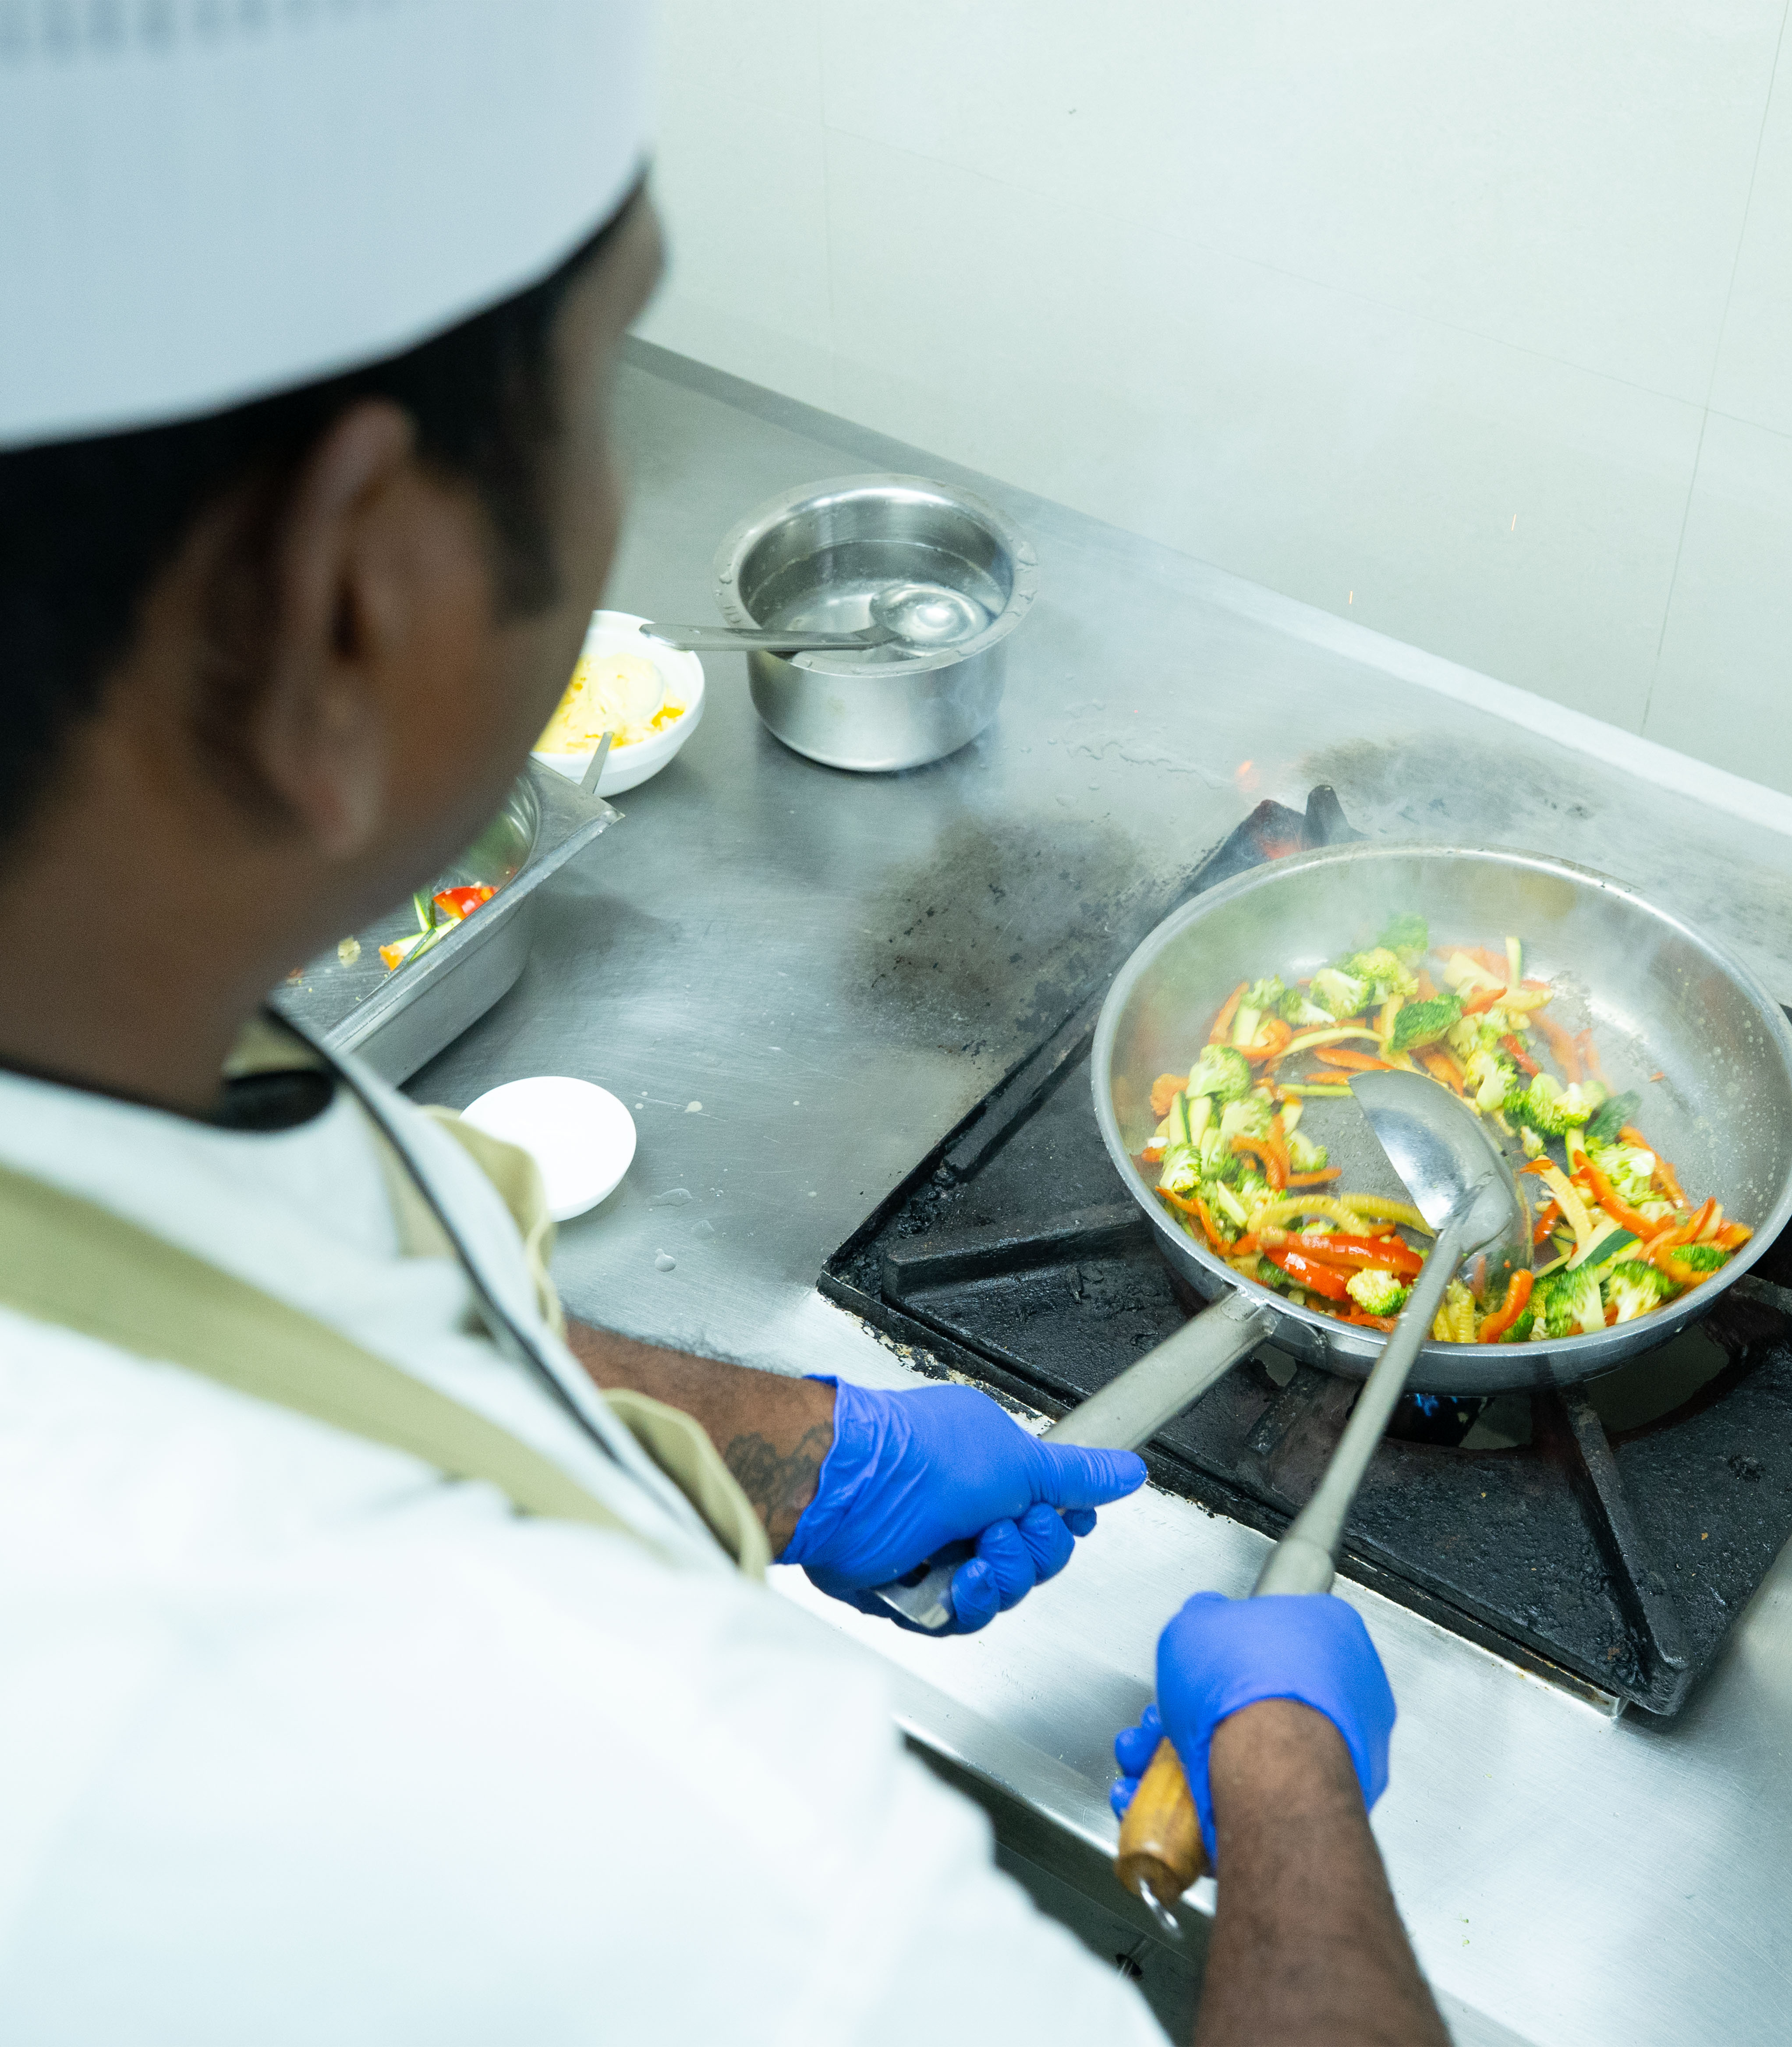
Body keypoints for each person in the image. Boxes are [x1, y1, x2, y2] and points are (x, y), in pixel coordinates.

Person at [0, 7, 1448, 2043]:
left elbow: (305, 1262)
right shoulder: (677, 1850)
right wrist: (1292, 1795)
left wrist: (783, 1445)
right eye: (606, 394)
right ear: (345, 598)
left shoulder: (114, 1024)